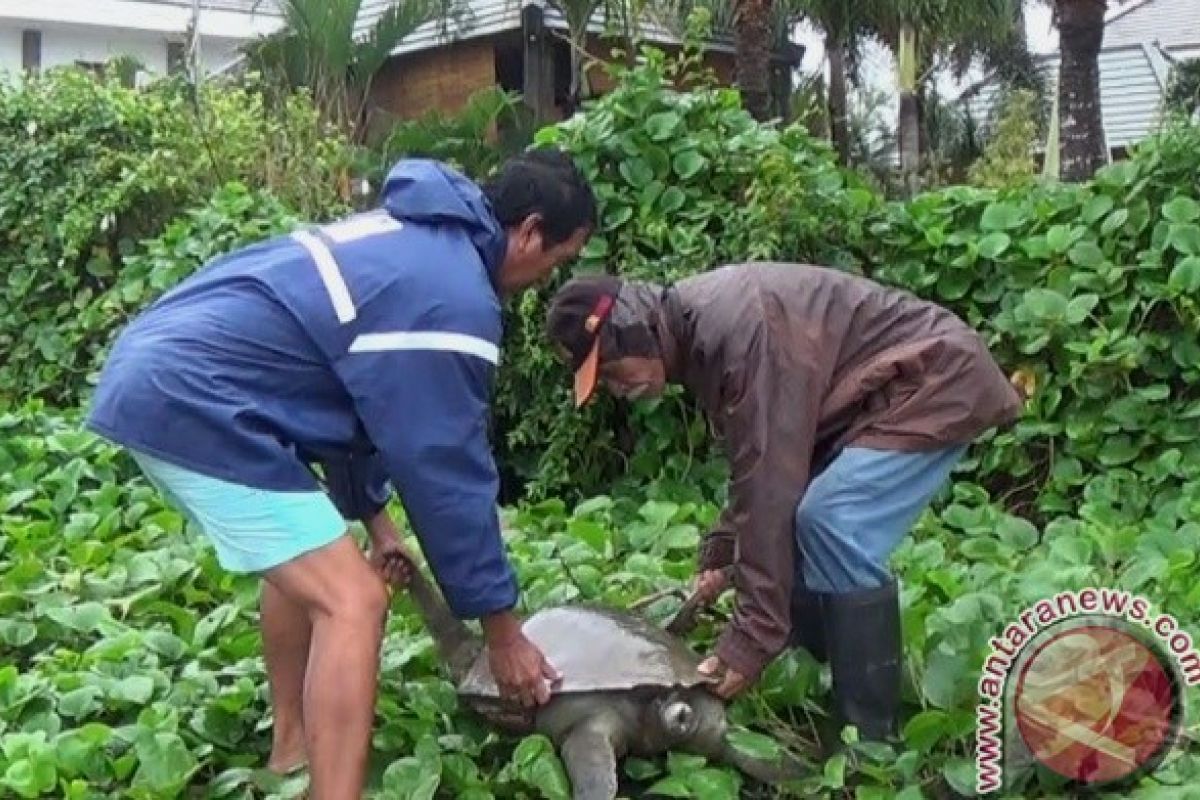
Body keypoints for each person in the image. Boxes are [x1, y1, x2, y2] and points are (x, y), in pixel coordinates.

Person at [85, 148, 597, 799]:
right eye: (556, 260)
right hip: (197, 397)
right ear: (528, 231)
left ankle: (293, 751)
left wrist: (376, 521)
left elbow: (355, 397)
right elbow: (446, 468)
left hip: (166, 372)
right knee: (352, 602)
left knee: (312, 566)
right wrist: (503, 633)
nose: (547, 277)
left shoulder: (414, 243)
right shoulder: (453, 296)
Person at [544, 261, 1023, 742]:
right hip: (874, 398)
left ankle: (873, 740)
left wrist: (748, 642)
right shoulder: (699, 335)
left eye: (608, 371)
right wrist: (722, 549)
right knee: (800, 519)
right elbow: (758, 461)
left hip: (931, 382)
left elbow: (771, 483)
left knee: (831, 522)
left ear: (635, 333)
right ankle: (814, 684)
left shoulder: (741, 330)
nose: (615, 389)